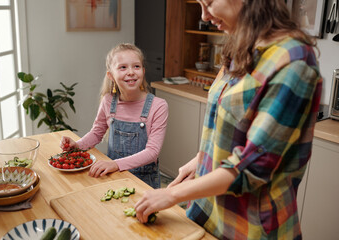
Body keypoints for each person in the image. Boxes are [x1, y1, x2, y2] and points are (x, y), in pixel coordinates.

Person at [135, 0, 322, 239]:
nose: (204, 15)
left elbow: (251, 167)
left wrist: (172, 195)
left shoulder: (294, 63)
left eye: (209, 3)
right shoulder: (242, 44)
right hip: (208, 212)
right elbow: (232, 124)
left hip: (251, 226)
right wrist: (200, 160)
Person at [60, 43, 168, 189]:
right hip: (114, 175)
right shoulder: (108, 101)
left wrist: (115, 164)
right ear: (111, 75)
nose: (131, 72)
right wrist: (77, 145)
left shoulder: (158, 106)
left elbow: (152, 152)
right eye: (123, 67)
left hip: (144, 180)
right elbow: (97, 133)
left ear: (143, 71)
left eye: (136, 66)